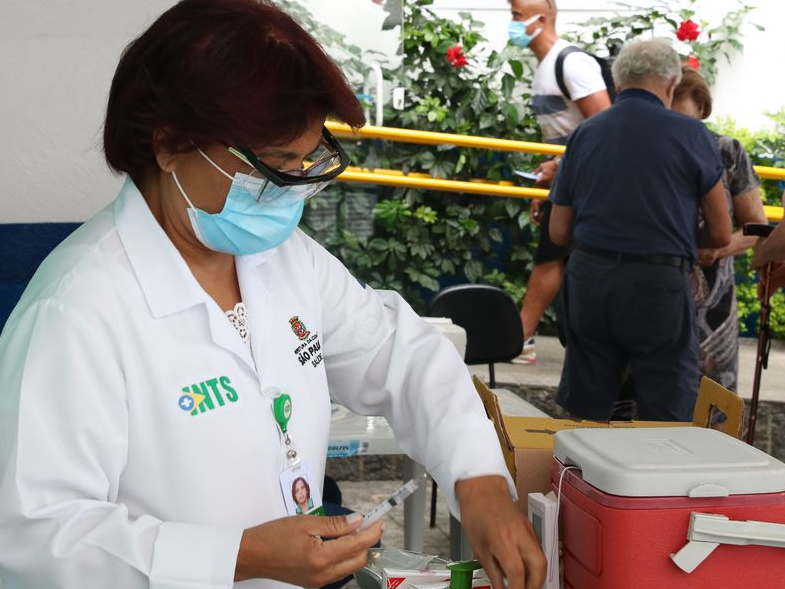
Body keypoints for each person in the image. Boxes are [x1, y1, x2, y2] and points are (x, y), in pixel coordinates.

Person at [0, 2, 546, 589]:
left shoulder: (283, 261)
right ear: (166, 142)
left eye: (306, 162)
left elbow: (401, 355)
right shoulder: (78, 309)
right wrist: (236, 557)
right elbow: (36, 537)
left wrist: (479, 478)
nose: (290, 195)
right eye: (271, 168)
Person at [548, 38, 732, 422]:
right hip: (658, 284)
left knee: (586, 412)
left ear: (617, 83)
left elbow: (559, 230)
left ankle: (576, 480)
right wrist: (672, 238)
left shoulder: (585, 134)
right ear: (671, 84)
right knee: (664, 413)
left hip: (590, 280)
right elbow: (721, 233)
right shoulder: (692, 134)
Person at [508, 0, 612, 363]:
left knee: (551, 255)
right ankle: (528, 337)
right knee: (556, 253)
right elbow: (562, 133)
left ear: (543, 17)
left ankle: (522, 337)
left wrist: (559, 165)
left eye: (517, 17)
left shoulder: (573, 63)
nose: (513, 24)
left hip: (584, 176)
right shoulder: (545, 67)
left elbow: (606, 127)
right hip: (566, 174)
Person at [671, 66, 767, 392]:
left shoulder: (727, 151)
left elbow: (756, 228)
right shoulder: (653, 152)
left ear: (701, 108)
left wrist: (719, 248)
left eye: (684, 116)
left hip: (714, 304)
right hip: (657, 292)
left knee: (711, 407)